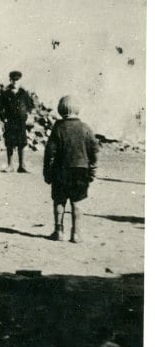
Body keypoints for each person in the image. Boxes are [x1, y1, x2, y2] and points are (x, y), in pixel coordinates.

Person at [43, 96, 99, 243]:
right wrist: (92, 170)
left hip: (60, 171)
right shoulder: (85, 128)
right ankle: (76, 233)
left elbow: (49, 152)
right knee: (77, 202)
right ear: (78, 109)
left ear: (60, 109)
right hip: (80, 170)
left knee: (59, 201)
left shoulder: (58, 127)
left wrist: (47, 172)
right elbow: (94, 150)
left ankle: (58, 231)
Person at [0, 70, 35, 173]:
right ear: (10, 80)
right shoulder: (5, 94)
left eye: (17, 80)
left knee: (22, 143)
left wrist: (28, 115)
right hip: (10, 121)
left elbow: (30, 106)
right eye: (13, 80)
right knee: (10, 143)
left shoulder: (24, 93)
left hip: (21, 122)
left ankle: (22, 166)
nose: (15, 82)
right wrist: (3, 118)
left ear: (20, 80)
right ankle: (10, 166)